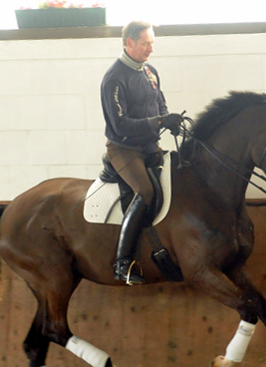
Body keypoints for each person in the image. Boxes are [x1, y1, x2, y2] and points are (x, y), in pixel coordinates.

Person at [101, 20, 183, 285]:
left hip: (150, 146)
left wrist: (169, 119)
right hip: (124, 150)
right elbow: (119, 124)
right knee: (145, 192)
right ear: (129, 43)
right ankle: (123, 262)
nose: (150, 49)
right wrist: (159, 122)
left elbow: (160, 103)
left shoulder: (150, 71)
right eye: (146, 43)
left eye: (152, 44)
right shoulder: (114, 79)